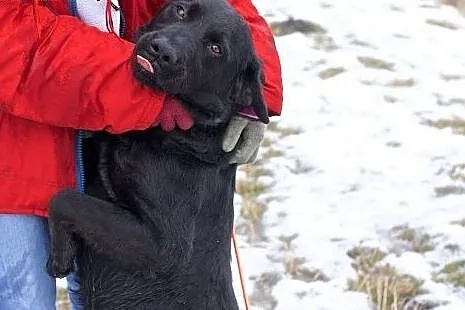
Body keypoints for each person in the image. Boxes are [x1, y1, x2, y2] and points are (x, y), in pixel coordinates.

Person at [0, 0, 283, 309]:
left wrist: (252, 94)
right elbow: (12, 40)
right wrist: (137, 93)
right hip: (16, 146)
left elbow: (216, 10)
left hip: (120, 123)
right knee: (22, 298)